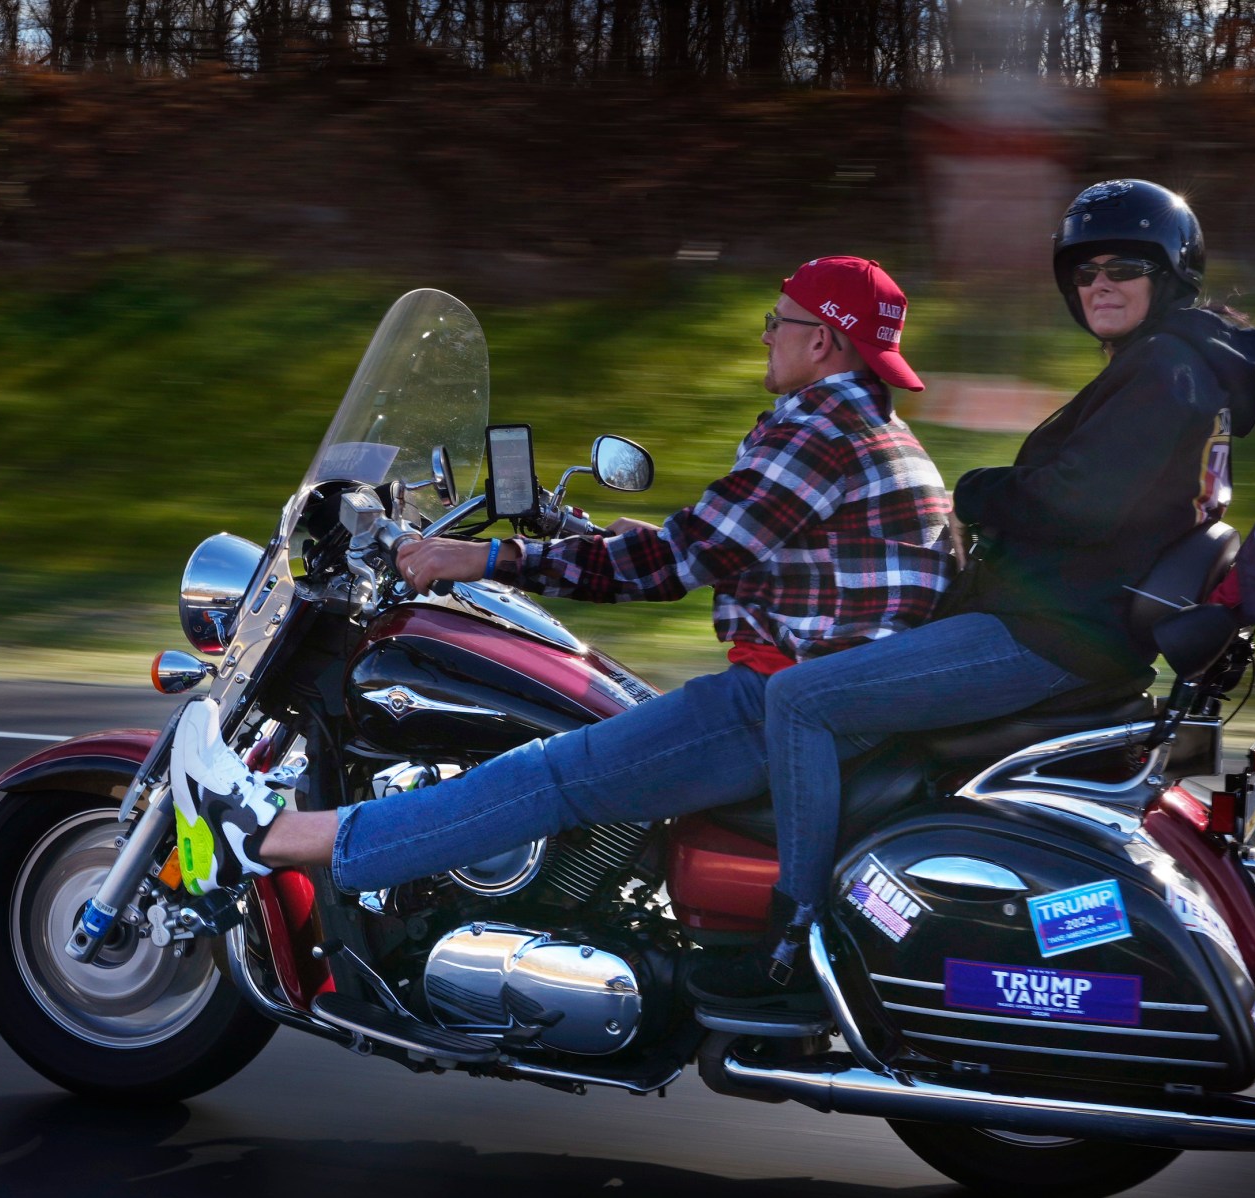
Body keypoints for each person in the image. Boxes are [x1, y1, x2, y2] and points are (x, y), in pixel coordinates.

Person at [166, 256, 954, 1000]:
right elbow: (775, 553)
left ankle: (267, 840)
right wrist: (602, 541)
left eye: (778, 322)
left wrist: (482, 561)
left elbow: (674, 563)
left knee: (541, 775)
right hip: (843, 701)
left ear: (822, 339)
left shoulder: (815, 431)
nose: (764, 335)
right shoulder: (876, 433)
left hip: (780, 703)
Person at [750, 180, 1255, 991]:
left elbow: (1080, 504)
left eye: (1123, 267)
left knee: (800, 700)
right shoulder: (1181, 365)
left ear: (1169, 273)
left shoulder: (1167, 370)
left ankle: (793, 935)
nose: (1098, 285)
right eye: (1084, 271)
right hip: (1076, 627)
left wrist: (977, 490)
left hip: (1051, 636)